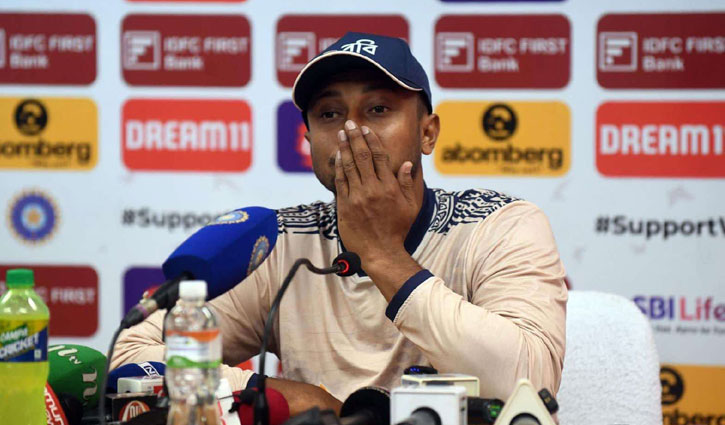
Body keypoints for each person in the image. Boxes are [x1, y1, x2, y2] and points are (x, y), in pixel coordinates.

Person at [112, 32, 567, 416]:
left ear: (427, 132)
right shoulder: (282, 242)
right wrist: (284, 395)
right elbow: (131, 355)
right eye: (330, 114)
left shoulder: (499, 225)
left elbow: (529, 385)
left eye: (378, 109)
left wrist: (383, 255)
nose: (351, 131)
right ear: (309, 141)